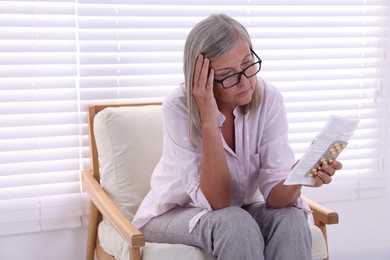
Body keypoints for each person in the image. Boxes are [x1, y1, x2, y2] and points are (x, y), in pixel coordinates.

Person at [133, 13, 342, 259]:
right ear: (203, 78)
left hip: (241, 209)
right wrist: (209, 120)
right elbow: (219, 202)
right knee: (235, 223)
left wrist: (300, 174)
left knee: (291, 218)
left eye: (247, 64)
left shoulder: (269, 98)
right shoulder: (178, 108)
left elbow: (276, 198)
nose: (245, 82)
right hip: (174, 213)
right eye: (228, 75)